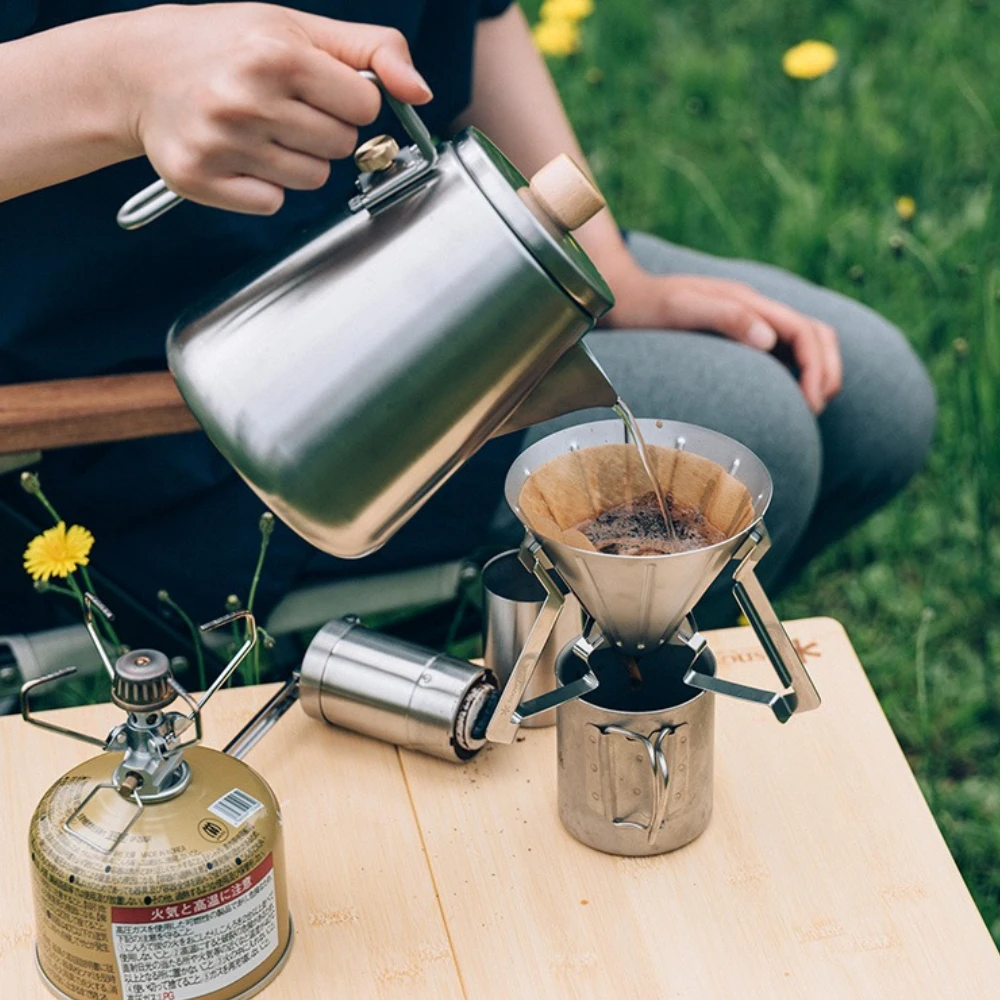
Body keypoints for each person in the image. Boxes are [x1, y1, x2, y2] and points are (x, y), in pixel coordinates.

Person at [0, 2, 934, 640]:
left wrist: (611, 272)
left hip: (410, 260)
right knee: (746, 441)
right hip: (162, 408)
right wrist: (116, 83)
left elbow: (476, 14)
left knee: (874, 397)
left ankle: (582, 648)